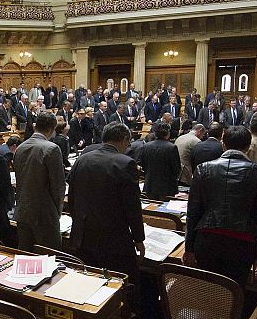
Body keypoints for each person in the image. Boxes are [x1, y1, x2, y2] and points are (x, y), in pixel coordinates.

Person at [184, 126, 257, 287]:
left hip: (206, 238)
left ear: (223, 144)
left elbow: (193, 212)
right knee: (234, 292)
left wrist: (188, 248)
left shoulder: (203, 169)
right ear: (248, 146)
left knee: (206, 288)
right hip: (242, 242)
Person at [69, 122, 145, 281]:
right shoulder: (125, 163)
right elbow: (132, 207)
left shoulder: (82, 159)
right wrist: (139, 239)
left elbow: (72, 197)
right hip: (113, 240)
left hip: (83, 236)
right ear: (124, 139)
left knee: (89, 281)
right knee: (125, 284)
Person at [14, 112, 65, 251]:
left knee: (25, 257)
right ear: (51, 129)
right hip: (44, 214)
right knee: (49, 258)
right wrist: (56, 212)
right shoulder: (52, 149)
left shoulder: (20, 147)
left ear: (35, 126)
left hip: (22, 211)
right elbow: (58, 187)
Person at [140, 121, 181, 200]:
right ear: (168, 133)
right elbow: (176, 169)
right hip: (167, 187)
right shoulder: (172, 147)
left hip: (150, 185)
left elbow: (143, 165)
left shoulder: (146, 146)